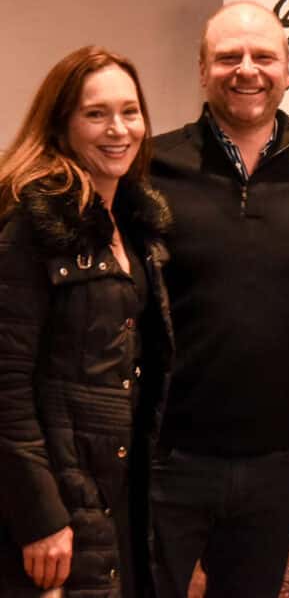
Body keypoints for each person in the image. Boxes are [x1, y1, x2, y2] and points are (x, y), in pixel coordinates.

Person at [149, 0, 289, 598]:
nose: (247, 70)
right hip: (165, 458)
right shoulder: (151, 165)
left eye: (264, 56)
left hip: (273, 461)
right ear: (201, 69)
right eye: (228, 56)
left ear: (288, 68)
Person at [0, 46, 174, 597]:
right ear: (62, 124)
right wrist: (40, 517)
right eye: (96, 114)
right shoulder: (30, 224)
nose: (118, 129)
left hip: (114, 493)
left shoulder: (132, 222)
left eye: (130, 111)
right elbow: (5, 385)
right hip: (54, 509)